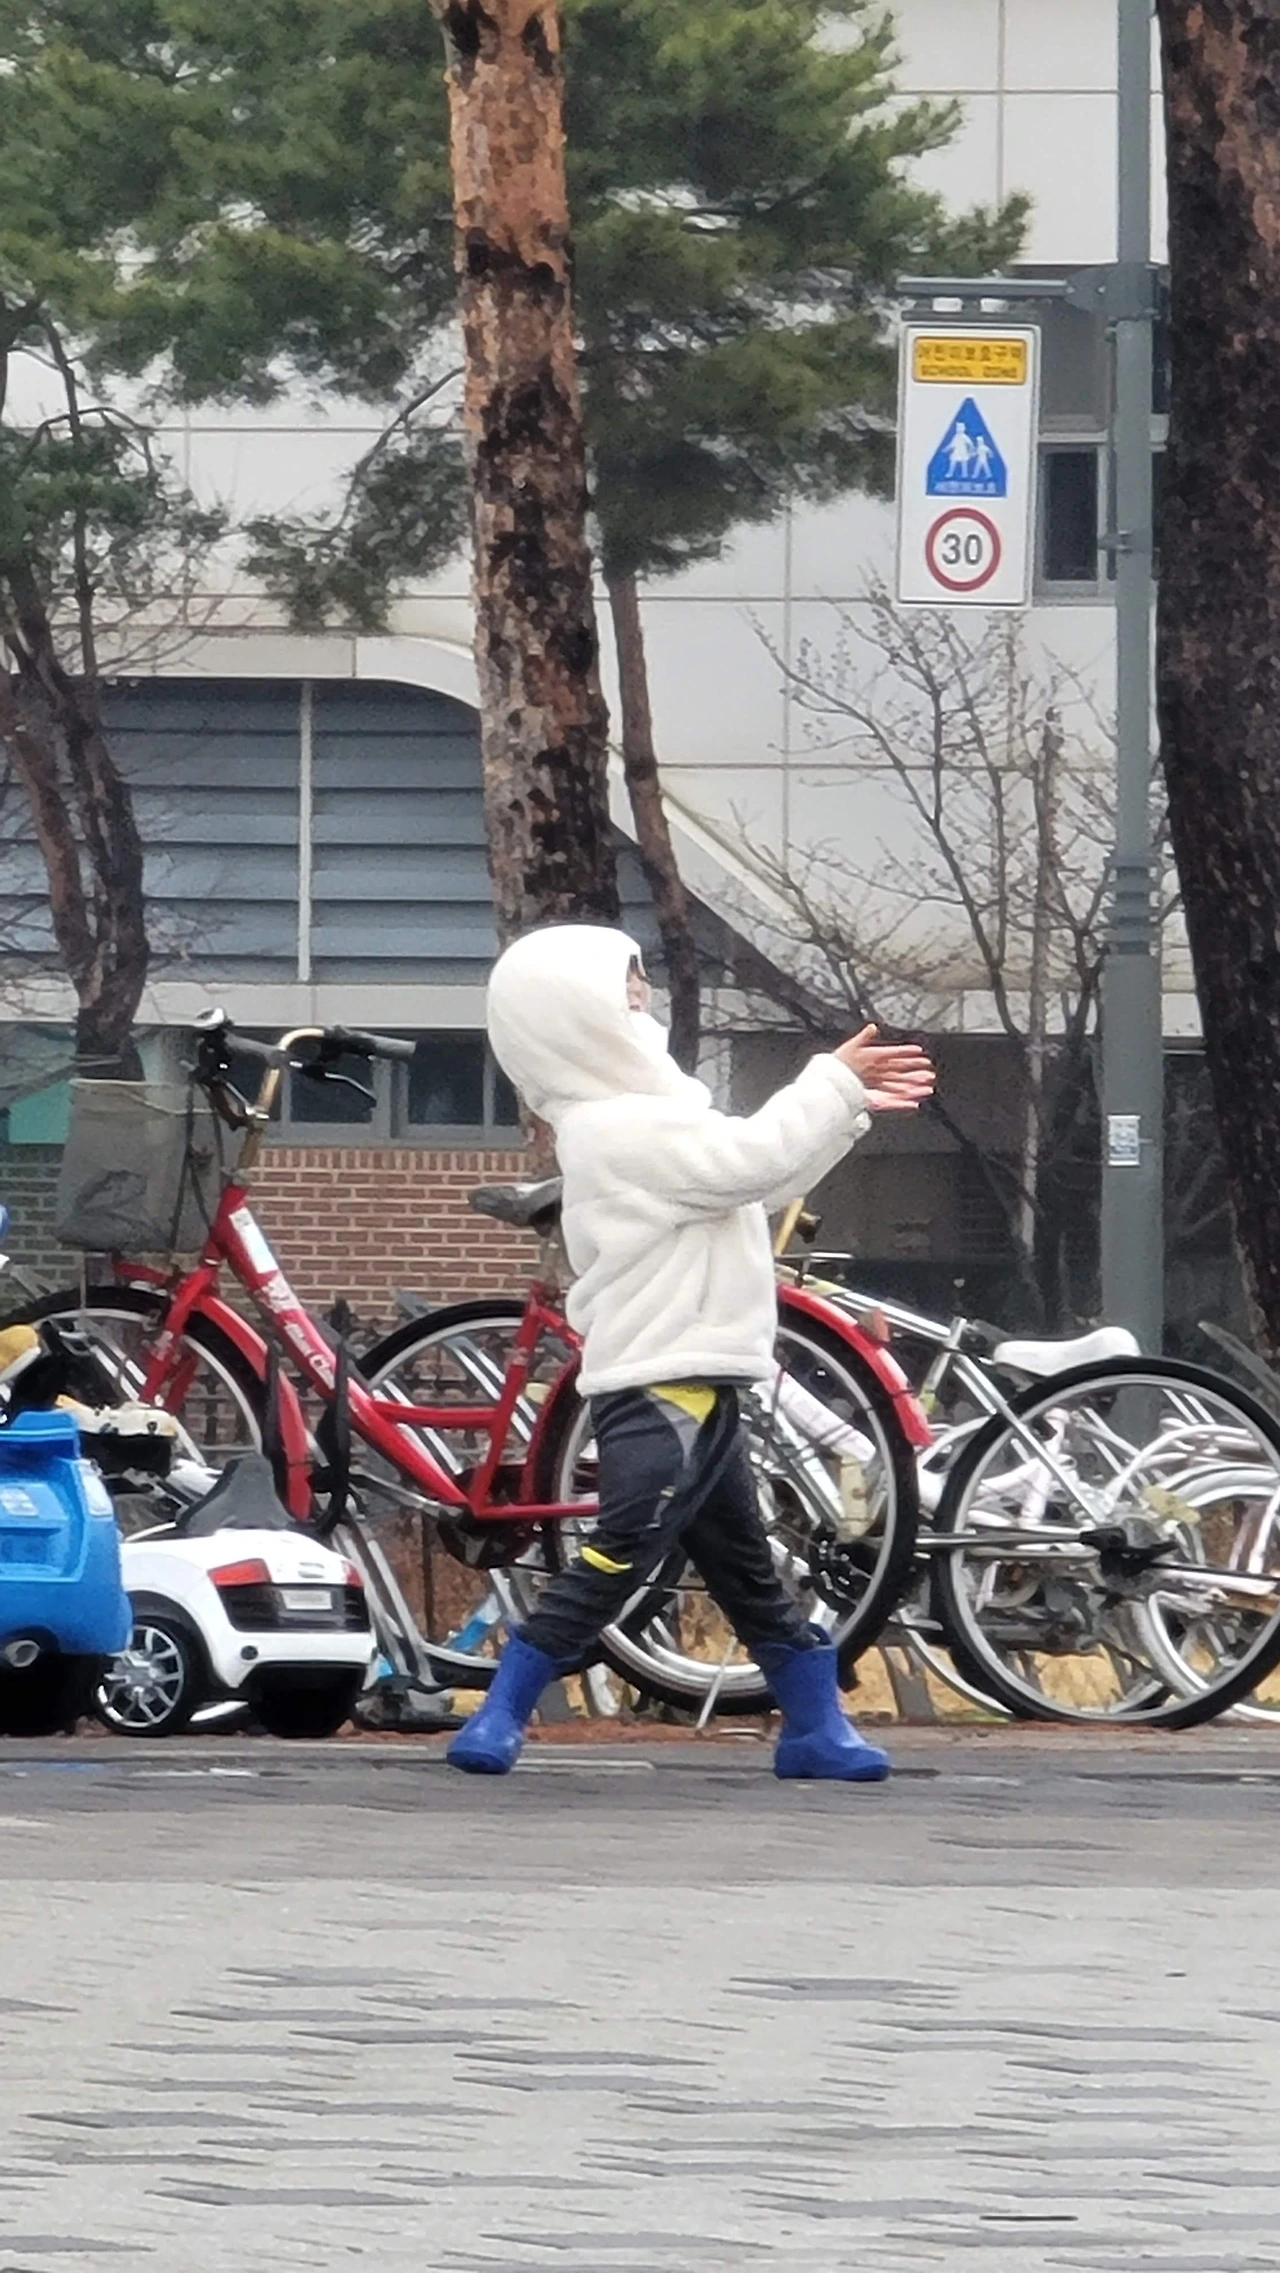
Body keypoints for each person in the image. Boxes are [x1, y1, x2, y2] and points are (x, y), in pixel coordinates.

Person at [447, 925, 935, 1783]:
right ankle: (502, 1707)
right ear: (574, 1018)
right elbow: (752, 1163)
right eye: (624, 987)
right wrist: (829, 1082)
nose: (642, 997)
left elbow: (765, 1178)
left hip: (696, 1378)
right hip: (664, 1383)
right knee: (623, 1547)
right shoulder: (619, 1129)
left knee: (745, 1567)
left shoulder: (646, 1119)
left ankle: (815, 1726)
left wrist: (842, 1105)